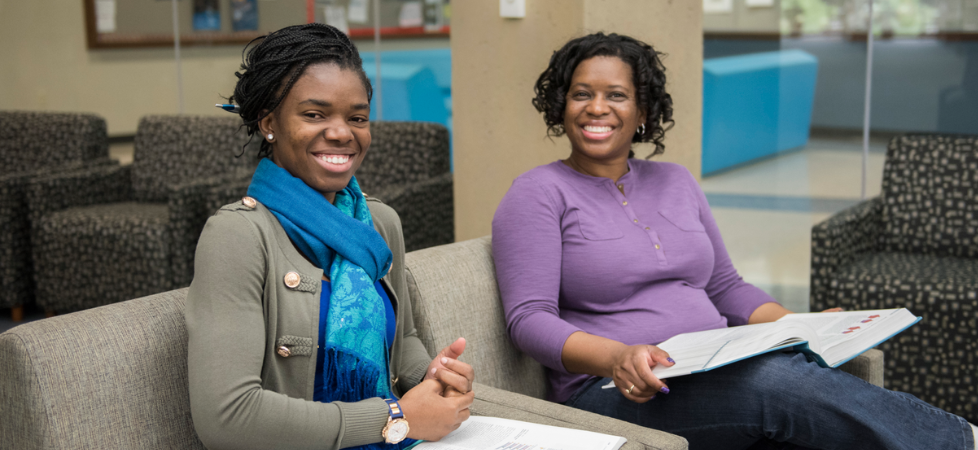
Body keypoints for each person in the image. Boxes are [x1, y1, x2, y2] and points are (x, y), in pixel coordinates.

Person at [491, 32, 978, 450]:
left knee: (791, 376)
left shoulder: (676, 181)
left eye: (616, 95)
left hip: (715, 361)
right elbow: (528, 321)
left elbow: (726, 286)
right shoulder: (537, 192)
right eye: (582, 94)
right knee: (771, 381)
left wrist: (800, 325)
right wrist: (618, 356)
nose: (597, 108)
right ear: (562, 105)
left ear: (642, 110)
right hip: (619, 389)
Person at [186, 23, 474, 450]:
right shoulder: (238, 235)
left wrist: (429, 378)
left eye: (357, 117)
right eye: (314, 114)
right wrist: (395, 417)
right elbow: (227, 418)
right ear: (269, 123)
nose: (342, 132)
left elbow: (403, 339)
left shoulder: (378, 222)